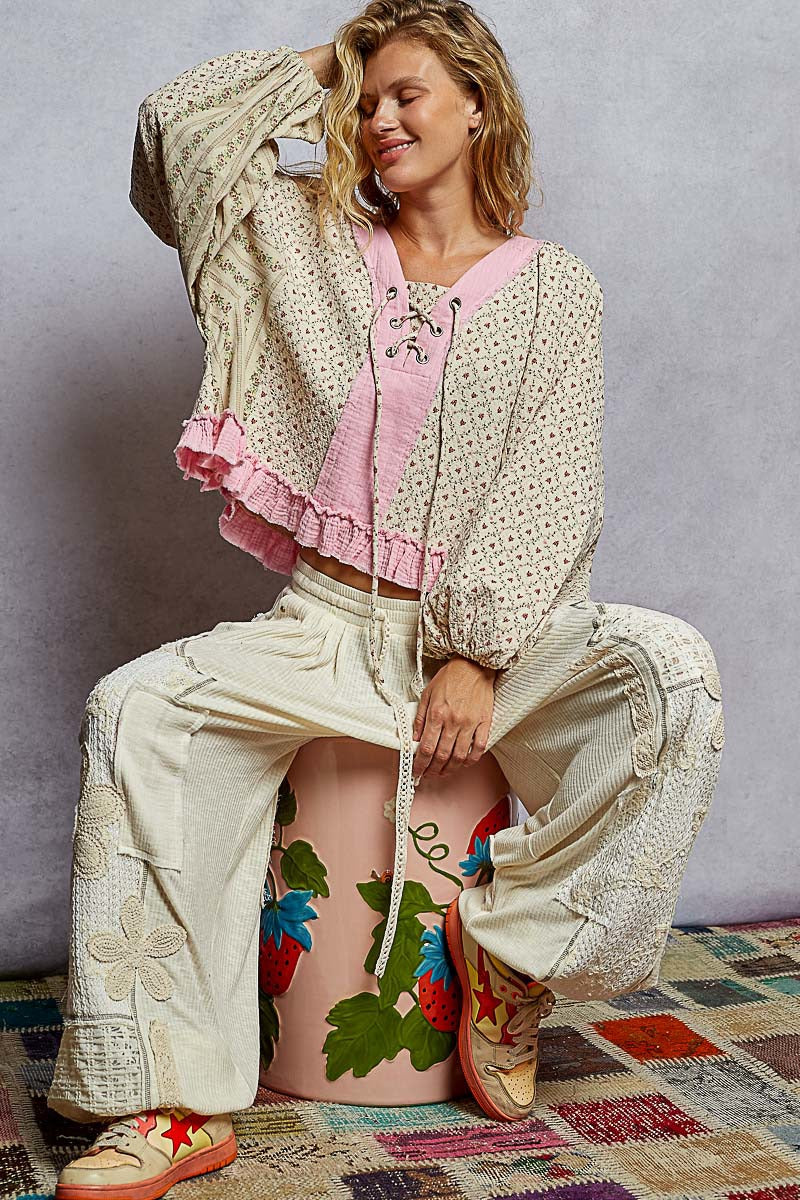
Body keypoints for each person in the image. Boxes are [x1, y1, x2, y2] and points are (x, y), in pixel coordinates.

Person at [48, 1, 725, 1194]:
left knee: (666, 671)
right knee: (135, 710)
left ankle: (510, 956)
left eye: (407, 94)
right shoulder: (306, 240)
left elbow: (551, 481)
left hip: (486, 640)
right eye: (363, 106)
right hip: (323, 623)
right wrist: (343, 51)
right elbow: (176, 137)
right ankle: (171, 1101)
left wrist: (477, 652)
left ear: (478, 103)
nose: (375, 121)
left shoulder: (553, 290)